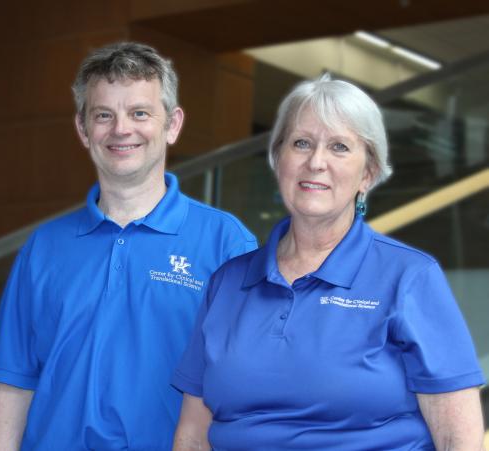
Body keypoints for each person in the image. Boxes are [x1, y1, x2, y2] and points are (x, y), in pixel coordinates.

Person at [172, 75, 485, 450]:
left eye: (339, 147)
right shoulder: (228, 283)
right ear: (278, 159)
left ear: (367, 174)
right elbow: (192, 435)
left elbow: (459, 439)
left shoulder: (409, 277)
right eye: (301, 143)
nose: (316, 162)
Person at [0, 42, 257, 450]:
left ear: (173, 124)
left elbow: (246, 385)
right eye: (103, 115)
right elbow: (13, 384)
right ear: (83, 129)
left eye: (140, 113)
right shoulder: (43, 247)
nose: (121, 129)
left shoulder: (226, 243)